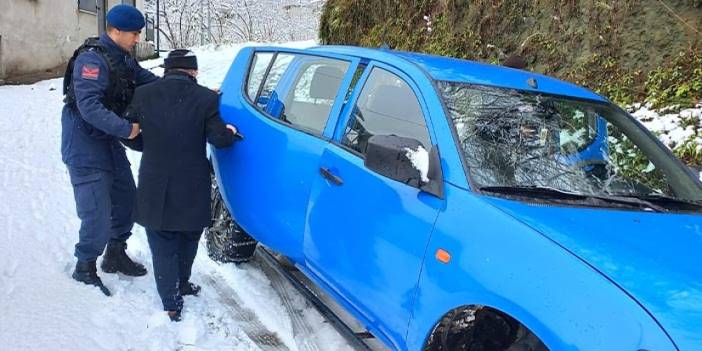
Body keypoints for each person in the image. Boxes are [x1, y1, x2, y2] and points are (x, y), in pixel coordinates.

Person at [123, 49, 240, 321]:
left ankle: (171, 301)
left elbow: (127, 134)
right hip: (192, 180)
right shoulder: (207, 99)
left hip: (155, 179)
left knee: (161, 239)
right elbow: (219, 139)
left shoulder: (143, 95)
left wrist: (147, 145)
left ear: (167, 69)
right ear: (193, 71)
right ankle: (183, 282)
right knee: (189, 234)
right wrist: (231, 133)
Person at [61, 4, 158, 296]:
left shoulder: (122, 58)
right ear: (115, 31)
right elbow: (89, 106)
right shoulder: (91, 60)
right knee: (97, 212)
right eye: (133, 34)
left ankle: (115, 253)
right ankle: (85, 265)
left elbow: (149, 82)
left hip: (106, 141)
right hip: (84, 144)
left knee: (126, 197)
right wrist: (126, 130)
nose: (137, 39)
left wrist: (186, 87)